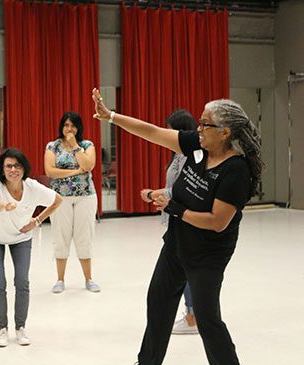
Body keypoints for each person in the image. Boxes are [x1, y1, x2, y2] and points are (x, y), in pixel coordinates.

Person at [92, 88, 262, 365]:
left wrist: (174, 208)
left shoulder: (236, 170)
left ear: (225, 133)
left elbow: (218, 222)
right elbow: (154, 132)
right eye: (200, 122)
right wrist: (111, 116)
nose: (200, 128)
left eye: (206, 124)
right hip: (176, 245)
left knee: (207, 320)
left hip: (208, 255)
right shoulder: (197, 146)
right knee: (158, 303)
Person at [0, 148, 62, 347]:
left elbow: (57, 200)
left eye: (17, 165)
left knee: (22, 281)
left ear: (24, 168)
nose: (13, 170)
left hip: (21, 237)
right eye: (8, 166)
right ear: (2, 169)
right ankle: (2, 330)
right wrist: (4, 206)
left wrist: (37, 220)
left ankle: (20, 328)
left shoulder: (33, 187)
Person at [139, 109, 199, 335]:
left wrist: (153, 193)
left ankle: (193, 316)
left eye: (171, 130)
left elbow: (182, 189)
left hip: (186, 219)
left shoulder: (191, 155)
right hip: (175, 219)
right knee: (182, 270)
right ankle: (192, 313)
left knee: (187, 271)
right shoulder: (178, 154)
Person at [44, 111, 100, 293]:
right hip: (60, 198)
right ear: (61, 126)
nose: (69, 129)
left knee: (85, 236)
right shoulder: (52, 146)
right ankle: (60, 280)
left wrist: (75, 146)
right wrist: (76, 172)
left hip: (86, 196)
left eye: (73, 125)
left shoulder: (86, 145)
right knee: (61, 236)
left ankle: (88, 279)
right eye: (66, 125)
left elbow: (89, 165)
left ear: (78, 128)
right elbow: (50, 171)